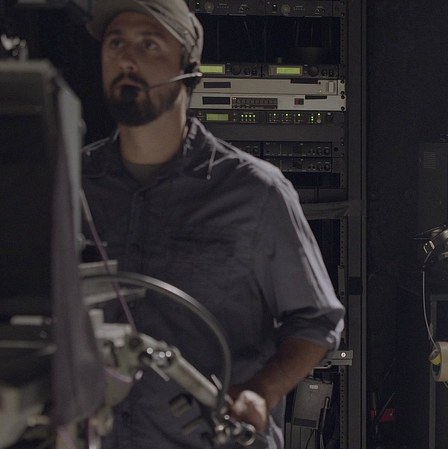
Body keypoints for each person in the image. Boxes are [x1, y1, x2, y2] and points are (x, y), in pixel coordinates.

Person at [79, 1, 345, 448]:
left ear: (188, 67)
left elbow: (316, 321)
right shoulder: (71, 184)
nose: (126, 59)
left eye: (149, 44)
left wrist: (262, 391)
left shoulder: (256, 192)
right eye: (115, 43)